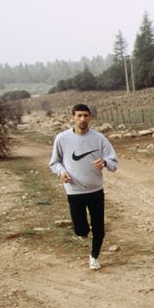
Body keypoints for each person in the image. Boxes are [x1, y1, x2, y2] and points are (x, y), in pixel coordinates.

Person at [49, 103, 119, 270]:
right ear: (73, 117)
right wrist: (61, 172)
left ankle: (94, 257)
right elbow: (54, 162)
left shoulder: (99, 138)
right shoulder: (62, 139)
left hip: (95, 190)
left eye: (85, 115)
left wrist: (105, 162)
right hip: (74, 191)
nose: (82, 119)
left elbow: (114, 163)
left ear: (90, 117)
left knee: (99, 228)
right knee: (81, 230)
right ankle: (82, 231)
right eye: (79, 115)